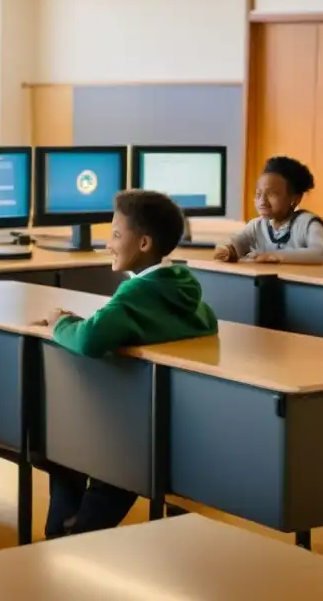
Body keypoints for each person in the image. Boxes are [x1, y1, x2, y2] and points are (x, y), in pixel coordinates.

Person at [39, 189, 218, 538]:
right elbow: (202, 323)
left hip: (127, 429)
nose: (108, 243)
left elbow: (89, 339)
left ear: (144, 243)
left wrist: (59, 323)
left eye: (117, 234)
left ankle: (66, 535)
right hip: (168, 419)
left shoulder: (137, 294)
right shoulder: (182, 286)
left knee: (56, 445)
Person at [214, 156, 323, 265]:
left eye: (272, 194)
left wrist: (274, 256)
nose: (262, 201)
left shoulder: (308, 224)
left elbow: (320, 253)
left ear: (295, 199)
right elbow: (237, 242)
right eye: (258, 194)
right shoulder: (256, 226)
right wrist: (227, 249)